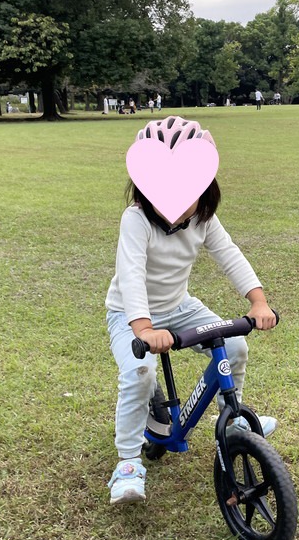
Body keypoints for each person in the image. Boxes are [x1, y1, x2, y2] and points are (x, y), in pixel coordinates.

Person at [104, 116, 278, 505]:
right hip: (130, 315)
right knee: (139, 372)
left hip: (180, 307)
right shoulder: (136, 220)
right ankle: (128, 463)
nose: (176, 201)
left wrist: (258, 300)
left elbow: (230, 255)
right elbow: (130, 275)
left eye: (187, 189)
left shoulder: (203, 218)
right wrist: (144, 327)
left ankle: (234, 424)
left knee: (234, 347)